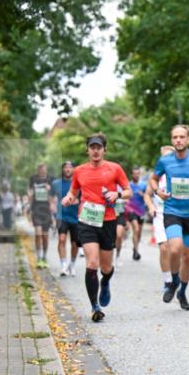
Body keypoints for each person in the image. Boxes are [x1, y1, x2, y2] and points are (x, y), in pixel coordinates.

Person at [60, 133, 130, 323]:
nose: (96, 150)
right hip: (87, 220)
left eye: (99, 147)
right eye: (92, 147)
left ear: (104, 149)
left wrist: (118, 195)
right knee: (92, 263)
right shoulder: (80, 171)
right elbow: (73, 192)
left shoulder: (115, 168)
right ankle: (94, 307)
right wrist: (68, 199)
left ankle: (105, 281)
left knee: (106, 267)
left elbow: (128, 191)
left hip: (107, 220)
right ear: (87, 150)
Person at [149, 126, 189, 311]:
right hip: (172, 211)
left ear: (188, 139)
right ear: (172, 140)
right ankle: (174, 281)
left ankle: (182, 291)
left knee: (188, 255)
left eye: (182, 137)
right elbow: (153, 179)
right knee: (175, 248)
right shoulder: (164, 161)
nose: (178, 140)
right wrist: (158, 191)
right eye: (175, 137)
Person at [145, 146, 176, 292]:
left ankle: (176, 277)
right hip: (160, 215)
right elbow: (147, 195)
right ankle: (167, 281)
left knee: (176, 249)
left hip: (177, 214)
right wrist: (151, 206)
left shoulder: (179, 173)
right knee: (164, 248)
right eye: (163, 157)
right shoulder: (156, 176)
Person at [52, 161, 80, 277]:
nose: (68, 169)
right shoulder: (56, 183)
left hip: (75, 217)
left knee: (75, 244)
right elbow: (51, 198)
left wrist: (75, 201)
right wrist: (52, 207)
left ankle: (72, 264)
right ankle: (63, 265)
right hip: (61, 216)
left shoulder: (79, 183)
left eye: (70, 167)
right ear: (62, 169)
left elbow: (83, 198)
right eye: (65, 167)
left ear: (73, 169)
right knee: (62, 239)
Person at [28, 163, 54, 268]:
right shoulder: (33, 179)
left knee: (45, 236)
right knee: (38, 234)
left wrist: (50, 191)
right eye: (41, 170)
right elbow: (29, 193)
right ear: (38, 171)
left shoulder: (50, 179)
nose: (43, 171)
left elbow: (53, 195)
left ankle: (44, 256)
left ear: (46, 171)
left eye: (44, 170)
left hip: (46, 211)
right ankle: (39, 258)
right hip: (36, 210)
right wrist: (29, 208)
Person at [126, 166, 148, 261]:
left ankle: (135, 247)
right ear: (132, 174)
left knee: (139, 233)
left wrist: (142, 194)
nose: (136, 176)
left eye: (138, 174)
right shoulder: (128, 185)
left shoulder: (143, 185)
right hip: (131, 210)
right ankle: (136, 252)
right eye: (134, 174)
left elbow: (148, 197)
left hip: (141, 211)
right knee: (136, 228)